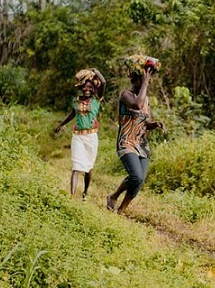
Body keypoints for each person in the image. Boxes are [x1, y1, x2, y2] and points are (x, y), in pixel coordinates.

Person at [106, 55, 164, 215]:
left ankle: (121, 211)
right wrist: (145, 82)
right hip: (126, 142)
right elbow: (137, 105)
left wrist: (156, 124)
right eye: (142, 81)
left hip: (142, 144)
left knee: (140, 180)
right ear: (134, 81)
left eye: (146, 82)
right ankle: (114, 196)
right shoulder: (126, 95)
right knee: (136, 175)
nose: (145, 84)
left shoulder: (147, 100)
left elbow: (145, 122)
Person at [54, 68, 106, 200]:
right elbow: (73, 114)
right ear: (81, 87)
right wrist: (61, 124)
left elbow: (104, 83)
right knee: (76, 167)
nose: (87, 89)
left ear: (93, 89)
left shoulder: (96, 99)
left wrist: (95, 71)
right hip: (77, 136)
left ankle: (85, 192)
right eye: (85, 87)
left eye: (90, 87)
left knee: (88, 168)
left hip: (91, 137)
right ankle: (71, 197)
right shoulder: (76, 100)